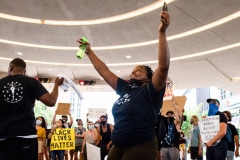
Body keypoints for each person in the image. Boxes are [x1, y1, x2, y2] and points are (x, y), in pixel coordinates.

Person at [77, 9, 170, 160]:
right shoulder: (126, 89)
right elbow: (104, 72)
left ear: (148, 78)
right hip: (118, 145)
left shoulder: (151, 90)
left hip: (141, 145)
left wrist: (162, 32)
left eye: (138, 71)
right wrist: (89, 52)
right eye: (133, 71)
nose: (133, 73)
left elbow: (164, 66)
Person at [0, 58, 63, 160]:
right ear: (25, 71)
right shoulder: (31, 82)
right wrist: (56, 85)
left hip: (3, 137)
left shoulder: (1, 83)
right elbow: (51, 101)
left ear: (10, 67)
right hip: (26, 135)